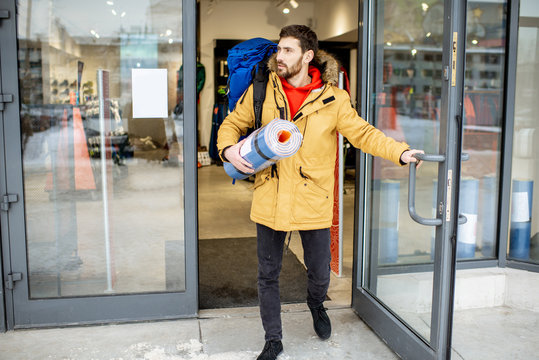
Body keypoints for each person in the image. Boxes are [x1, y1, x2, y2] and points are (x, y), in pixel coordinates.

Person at [217, 25, 423, 360]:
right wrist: (228, 150)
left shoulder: (334, 99)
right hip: (271, 196)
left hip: (314, 199)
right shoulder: (262, 89)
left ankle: (316, 305)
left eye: (287, 50)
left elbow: (364, 134)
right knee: (267, 274)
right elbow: (232, 124)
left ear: (308, 55)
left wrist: (400, 152)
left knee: (319, 272)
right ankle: (273, 339)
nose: (278, 56)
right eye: (278, 49)